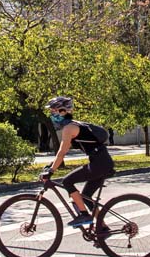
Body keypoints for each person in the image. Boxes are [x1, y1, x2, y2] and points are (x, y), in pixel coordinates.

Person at [42, 96, 115, 228]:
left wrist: (52, 171)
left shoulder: (69, 129)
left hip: (99, 163)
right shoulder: (73, 125)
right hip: (102, 161)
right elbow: (61, 153)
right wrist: (50, 166)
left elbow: (62, 152)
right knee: (86, 197)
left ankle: (84, 215)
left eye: (53, 112)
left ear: (63, 111)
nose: (51, 115)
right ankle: (102, 227)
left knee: (67, 181)